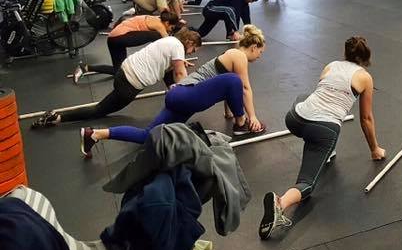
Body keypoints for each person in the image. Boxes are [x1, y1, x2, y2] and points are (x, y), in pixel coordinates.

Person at [259, 36, 386, 240]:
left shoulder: (331, 65)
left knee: (304, 97)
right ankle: (280, 203)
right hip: (323, 130)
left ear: (345, 53)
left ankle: (327, 150)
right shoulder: (365, 77)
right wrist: (375, 149)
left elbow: (321, 93)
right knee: (307, 184)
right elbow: (366, 118)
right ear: (366, 56)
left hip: (295, 119)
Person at [78, 26, 269, 156]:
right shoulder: (238, 55)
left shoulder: (230, 55)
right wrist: (250, 117)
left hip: (179, 96)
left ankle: (95, 134)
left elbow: (229, 91)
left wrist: (229, 113)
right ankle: (241, 125)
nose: (260, 57)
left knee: (148, 135)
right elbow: (243, 88)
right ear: (254, 47)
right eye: (261, 52)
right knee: (235, 80)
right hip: (186, 94)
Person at [32, 30, 202, 130]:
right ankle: (57, 118)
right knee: (99, 110)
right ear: (189, 41)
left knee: (100, 108)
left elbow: (168, 72)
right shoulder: (178, 47)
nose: (193, 52)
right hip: (129, 85)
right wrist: (185, 93)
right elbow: (180, 73)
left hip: (123, 72)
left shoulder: (169, 40)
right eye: (194, 48)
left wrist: (172, 85)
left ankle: (56, 117)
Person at [74, 11, 181, 81]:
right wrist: (179, 59)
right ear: (167, 23)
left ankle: (85, 67)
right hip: (119, 38)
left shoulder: (154, 18)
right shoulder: (159, 25)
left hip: (113, 39)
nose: (169, 30)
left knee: (119, 71)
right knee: (157, 36)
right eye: (171, 28)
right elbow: (168, 42)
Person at [197, 0, 261, 41]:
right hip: (210, 9)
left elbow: (246, 19)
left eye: (252, 1)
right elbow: (236, 16)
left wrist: (251, 33)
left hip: (217, 14)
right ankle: (231, 34)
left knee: (200, 34)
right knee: (230, 11)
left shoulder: (245, 3)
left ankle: (230, 34)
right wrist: (236, 31)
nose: (250, 1)